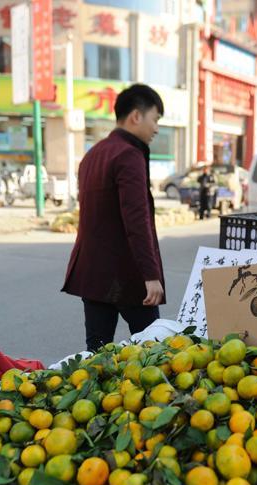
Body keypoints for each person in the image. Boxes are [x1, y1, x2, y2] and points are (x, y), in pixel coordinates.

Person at [62, 84, 166, 352]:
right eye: (155, 119)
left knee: (96, 356)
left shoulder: (93, 154)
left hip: (92, 273)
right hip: (128, 275)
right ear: (136, 116)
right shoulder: (129, 154)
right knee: (152, 352)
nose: (156, 128)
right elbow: (136, 219)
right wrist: (151, 274)